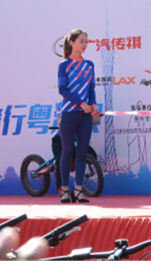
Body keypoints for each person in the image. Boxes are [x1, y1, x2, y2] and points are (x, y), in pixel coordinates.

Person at [57, 28, 97, 203]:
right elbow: (62, 89)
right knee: (67, 152)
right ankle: (65, 189)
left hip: (86, 115)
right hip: (69, 113)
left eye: (86, 41)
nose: (84, 44)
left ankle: (79, 190)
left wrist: (93, 104)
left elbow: (91, 88)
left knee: (82, 152)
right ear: (71, 43)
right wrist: (81, 103)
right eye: (81, 41)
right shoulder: (64, 65)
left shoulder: (89, 65)